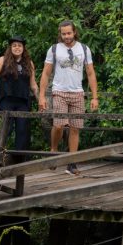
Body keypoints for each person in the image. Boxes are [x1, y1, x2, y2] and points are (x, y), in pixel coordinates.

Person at [38, 20, 99, 176]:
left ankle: (72, 162)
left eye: (69, 33)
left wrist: (94, 97)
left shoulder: (84, 49)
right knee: (59, 125)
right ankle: (54, 149)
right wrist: (42, 96)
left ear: (74, 32)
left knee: (75, 128)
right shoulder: (54, 49)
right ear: (60, 34)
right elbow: (45, 73)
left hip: (78, 92)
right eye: (63, 33)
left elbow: (91, 73)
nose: (66, 36)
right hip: (59, 91)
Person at [0, 36, 39, 152]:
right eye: (14, 45)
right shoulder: (2, 60)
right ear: (10, 47)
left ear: (23, 48)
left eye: (19, 46)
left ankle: (19, 157)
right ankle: (0, 154)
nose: (17, 48)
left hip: (23, 101)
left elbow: (33, 84)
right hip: (7, 99)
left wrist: (40, 99)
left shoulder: (29, 63)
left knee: (22, 129)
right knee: (7, 128)